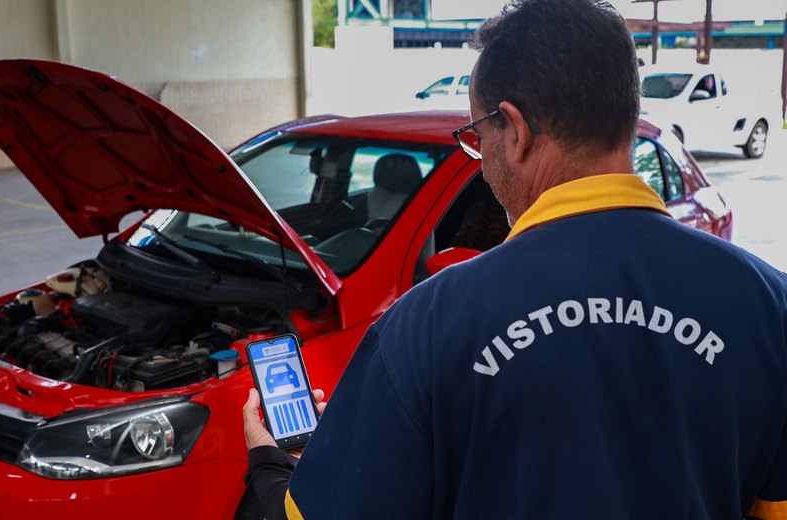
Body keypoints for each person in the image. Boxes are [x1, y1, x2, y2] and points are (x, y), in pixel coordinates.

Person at [243, 0, 787, 517]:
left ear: (517, 131)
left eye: (477, 136)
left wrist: (274, 467)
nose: (480, 163)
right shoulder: (770, 306)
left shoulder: (427, 326)